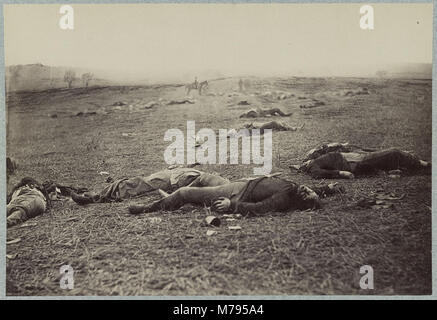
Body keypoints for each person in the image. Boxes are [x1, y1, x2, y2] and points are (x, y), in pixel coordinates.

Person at [128, 175, 343, 216]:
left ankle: (148, 208)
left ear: (301, 202)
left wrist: (232, 206)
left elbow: (261, 208)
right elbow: (313, 192)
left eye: (308, 195)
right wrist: (329, 189)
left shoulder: (286, 197)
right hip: (241, 183)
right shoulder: (297, 189)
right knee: (206, 176)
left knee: (185, 192)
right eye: (311, 190)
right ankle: (174, 198)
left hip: (237, 193)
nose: (308, 190)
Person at [71, 167, 230, 205]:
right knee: (135, 183)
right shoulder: (227, 187)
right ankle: (95, 196)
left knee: (134, 185)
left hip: (174, 179)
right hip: (175, 177)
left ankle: (95, 196)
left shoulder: (226, 192)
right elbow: (201, 179)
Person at [291, 143, 430, 179]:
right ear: (303, 169)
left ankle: (414, 163)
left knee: (387, 155)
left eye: (303, 162)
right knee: (393, 152)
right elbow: (318, 174)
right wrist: (341, 173)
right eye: (301, 165)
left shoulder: (315, 158)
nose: (304, 163)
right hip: (354, 162)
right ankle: (424, 165)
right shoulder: (313, 167)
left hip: (353, 156)